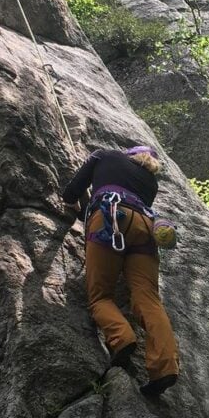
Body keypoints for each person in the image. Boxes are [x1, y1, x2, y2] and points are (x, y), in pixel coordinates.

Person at [62, 145, 180, 396]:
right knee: (148, 299)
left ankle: (122, 338)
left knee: (100, 296)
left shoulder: (105, 155)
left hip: (110, 218)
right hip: (145, 228)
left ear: (129, 154)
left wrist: (74, 204)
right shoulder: (151, 183)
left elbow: (71, 192)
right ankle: (166, 366)